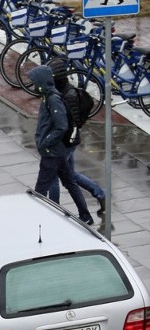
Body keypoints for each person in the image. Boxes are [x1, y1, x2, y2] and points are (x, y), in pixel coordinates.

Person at [29, 64, 95, 227]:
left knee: (40, 189)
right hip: (55, 151)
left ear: (42, 82)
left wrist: (46, 142)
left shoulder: (53, 99)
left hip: (52, 152)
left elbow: (61, 126)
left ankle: (38, 220)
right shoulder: (48, 97)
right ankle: (85, 215)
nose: (32, 85)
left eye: (34, 82)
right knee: (70, 181)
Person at [45, 56, 106, 220]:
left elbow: (66, 124)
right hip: (67, 141)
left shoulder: (67, 96)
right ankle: (99, 193)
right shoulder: (61, 91)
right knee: (70, 175)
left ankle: (54, 210)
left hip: (65, 142)